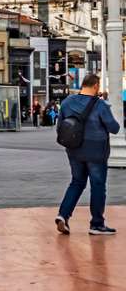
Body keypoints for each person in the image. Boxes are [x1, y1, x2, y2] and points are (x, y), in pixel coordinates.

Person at [55, 74, 120, 236]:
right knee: (97, 185)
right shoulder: (100, 105)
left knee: (77, 182)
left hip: (74, 150)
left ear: (83, 84)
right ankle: (96, 224)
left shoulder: (67, 102)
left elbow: (60, 126)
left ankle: (63, 215)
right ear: (96, 86)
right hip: (96, 151)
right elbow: (114, 127)